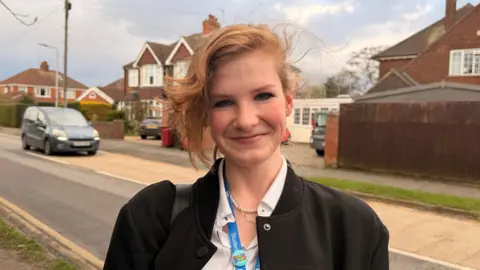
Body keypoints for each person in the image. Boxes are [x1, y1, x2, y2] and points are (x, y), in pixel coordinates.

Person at [103, 24, 389, 270]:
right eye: (224, 102)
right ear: (207, 114)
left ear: (288, 102)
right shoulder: (150, 216)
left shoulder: (354, 227)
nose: (246, 120)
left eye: (263, 95)